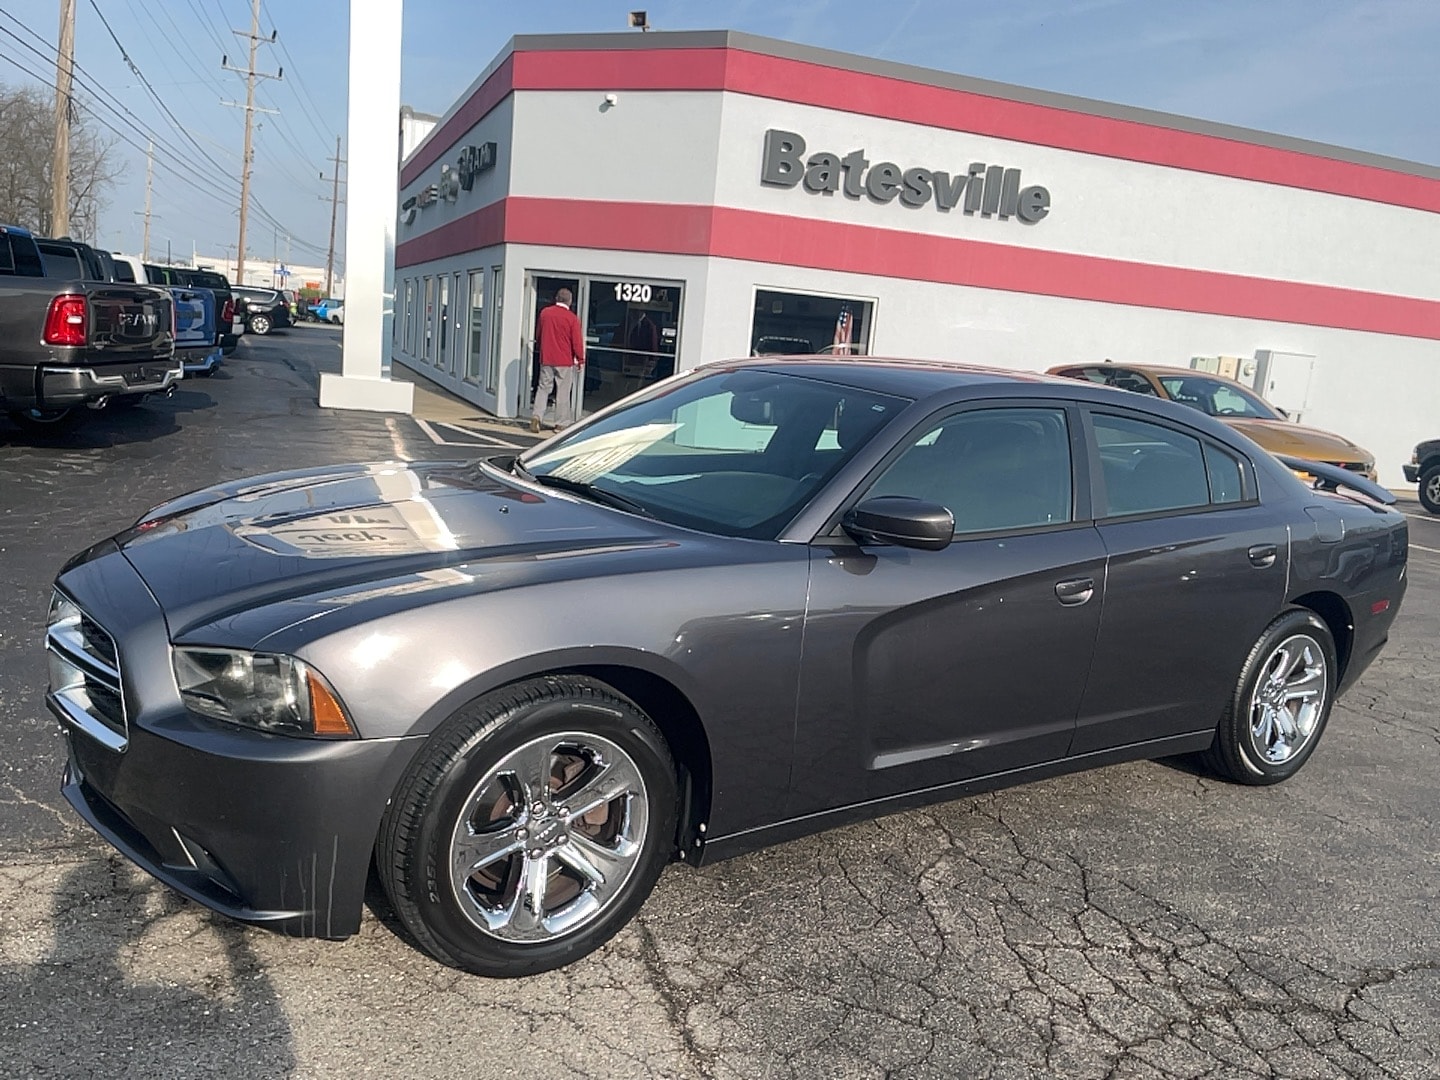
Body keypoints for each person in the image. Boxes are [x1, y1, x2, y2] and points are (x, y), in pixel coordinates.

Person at [531, 287, 585, 433]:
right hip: (564, 360)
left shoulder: (545, 313)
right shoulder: (572, 318)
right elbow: (576, 342)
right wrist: (580, 359)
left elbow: (539, 334)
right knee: (563, 391)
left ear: (556, 298)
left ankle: (537, 417)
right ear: (570, 301)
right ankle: (560, 424)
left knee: (543, 388)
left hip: (547, 357)